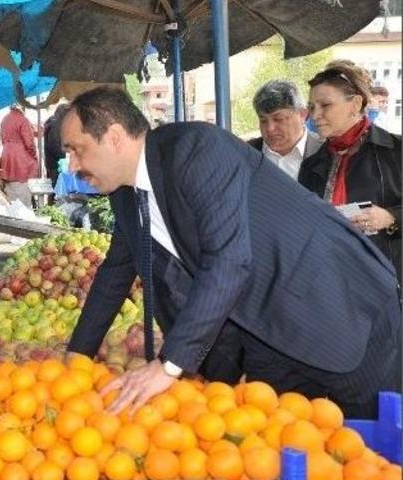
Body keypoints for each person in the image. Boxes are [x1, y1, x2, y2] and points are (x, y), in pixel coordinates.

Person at [62, 87, 401, 418]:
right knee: (276, 438)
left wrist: (169, 365)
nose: (72, 166)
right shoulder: (125, 194)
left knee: (369, 441)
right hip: (267, 330)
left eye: (77, 150)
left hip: (340, 305)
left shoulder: (195, 149)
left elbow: (227, 260)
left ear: (115, 137)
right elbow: (115, 274)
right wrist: (76, 358)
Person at [298, 64, 401, 286]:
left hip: (388, 284)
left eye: (325, 105)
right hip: (332, 281)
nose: (315, 115)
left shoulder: (396, 150)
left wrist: (390, 217)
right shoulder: (312, 165)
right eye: (311, 107)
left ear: (355, 104)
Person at [248, 80, 323, 179]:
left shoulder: (326, 152)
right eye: (263, 120)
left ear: (303, 114)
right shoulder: (246, 153)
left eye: (278, 119)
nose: (270, 128)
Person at [0, 103, 39, 207]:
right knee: (23, 190)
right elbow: (29, 143)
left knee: (10, 190)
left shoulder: (4, 120)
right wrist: (34, 155)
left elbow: (2, 139)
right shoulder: (23, 120)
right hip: (20, 158)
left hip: (7, 155)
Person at [44, 104, 71, 188]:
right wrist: (65, 155)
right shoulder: (56, 125)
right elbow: (54, 145)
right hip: (56, 164)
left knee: (55, 188)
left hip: (52, 163)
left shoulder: (54, 122)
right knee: (57, 188)